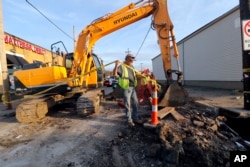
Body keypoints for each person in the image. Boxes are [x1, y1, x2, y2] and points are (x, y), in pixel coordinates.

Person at [113, 54, 142, 127]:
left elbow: (136, 74)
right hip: (126, 87)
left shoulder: (131, 67)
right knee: (127, 105)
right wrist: (116, 65)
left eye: (132, 61)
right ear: (126, 59)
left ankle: (135, 118)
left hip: (132, 88)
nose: (132, 62)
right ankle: (129, 120)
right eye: (130, 60)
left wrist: (143, 74)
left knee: (136, 103)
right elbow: (115, 74)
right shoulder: (122, 66)